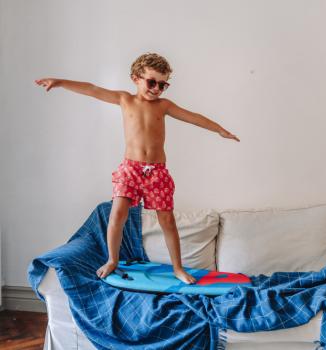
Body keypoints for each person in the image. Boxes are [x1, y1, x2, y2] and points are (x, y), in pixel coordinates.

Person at [34, 52, 240, 284]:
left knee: (167, 221)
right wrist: (59, 82)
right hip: (130, 170)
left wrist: (219, 129)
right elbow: (91, 89)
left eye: (162, 85)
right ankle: (112, 260)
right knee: (117, 215)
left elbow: (193, 117)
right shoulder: (125, 99)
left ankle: (178, 268)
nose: (156, 89)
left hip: (157, 172)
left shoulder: (164, 106)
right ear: (136, 78)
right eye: (151, 82)